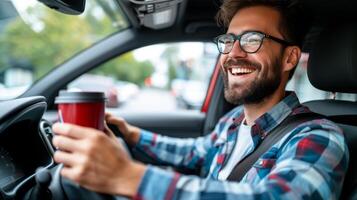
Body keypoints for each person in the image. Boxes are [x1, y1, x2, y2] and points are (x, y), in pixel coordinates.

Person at [52, 0, 349, 199]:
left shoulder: (320, 137)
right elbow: (192, 152)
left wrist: (129, 177)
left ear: (290, 58)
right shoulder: (234, 122)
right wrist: (130, 134)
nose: (233, 53)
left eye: (252, 39)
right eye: (229, 40)